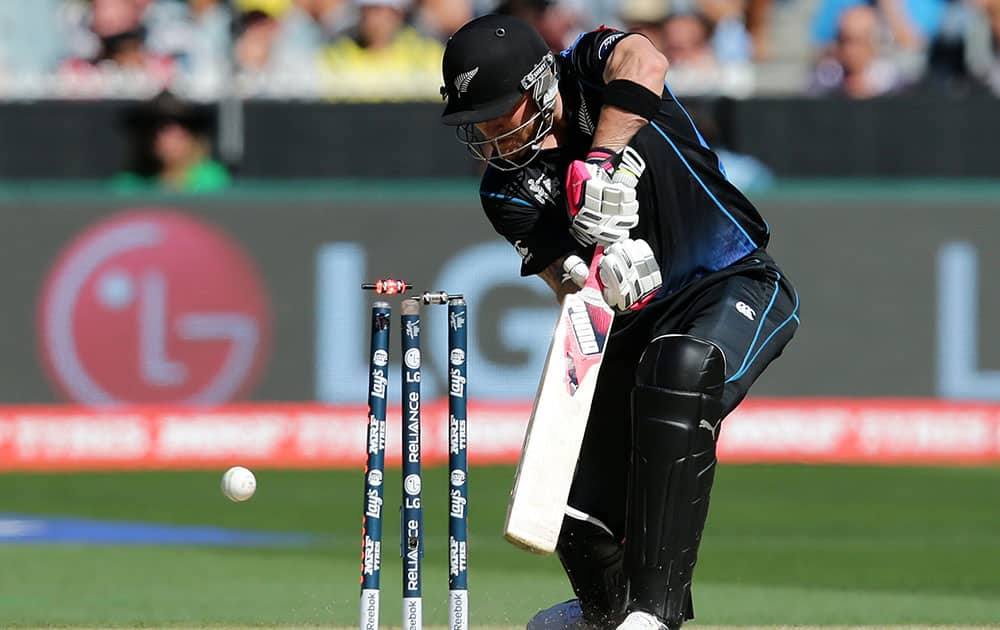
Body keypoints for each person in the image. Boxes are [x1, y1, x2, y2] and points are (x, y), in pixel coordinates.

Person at [439, 15, 799, 630]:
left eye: (504, 112)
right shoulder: (507, 191)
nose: (495, 136)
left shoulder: (587, 68)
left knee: (679, 365)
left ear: (540, 83)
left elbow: (647, 62)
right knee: (567, 497)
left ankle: (652, 617)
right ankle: (605, 614)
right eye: (481, 123)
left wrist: (602, 162)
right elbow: (568, 289)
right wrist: (595, 279)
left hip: (734, 282)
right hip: (634, 326)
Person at [112, 90, 231, 193]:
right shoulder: (129, 184)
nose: (168, 139)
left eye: (180, 129)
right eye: (160, 128)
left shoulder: (212, 179)